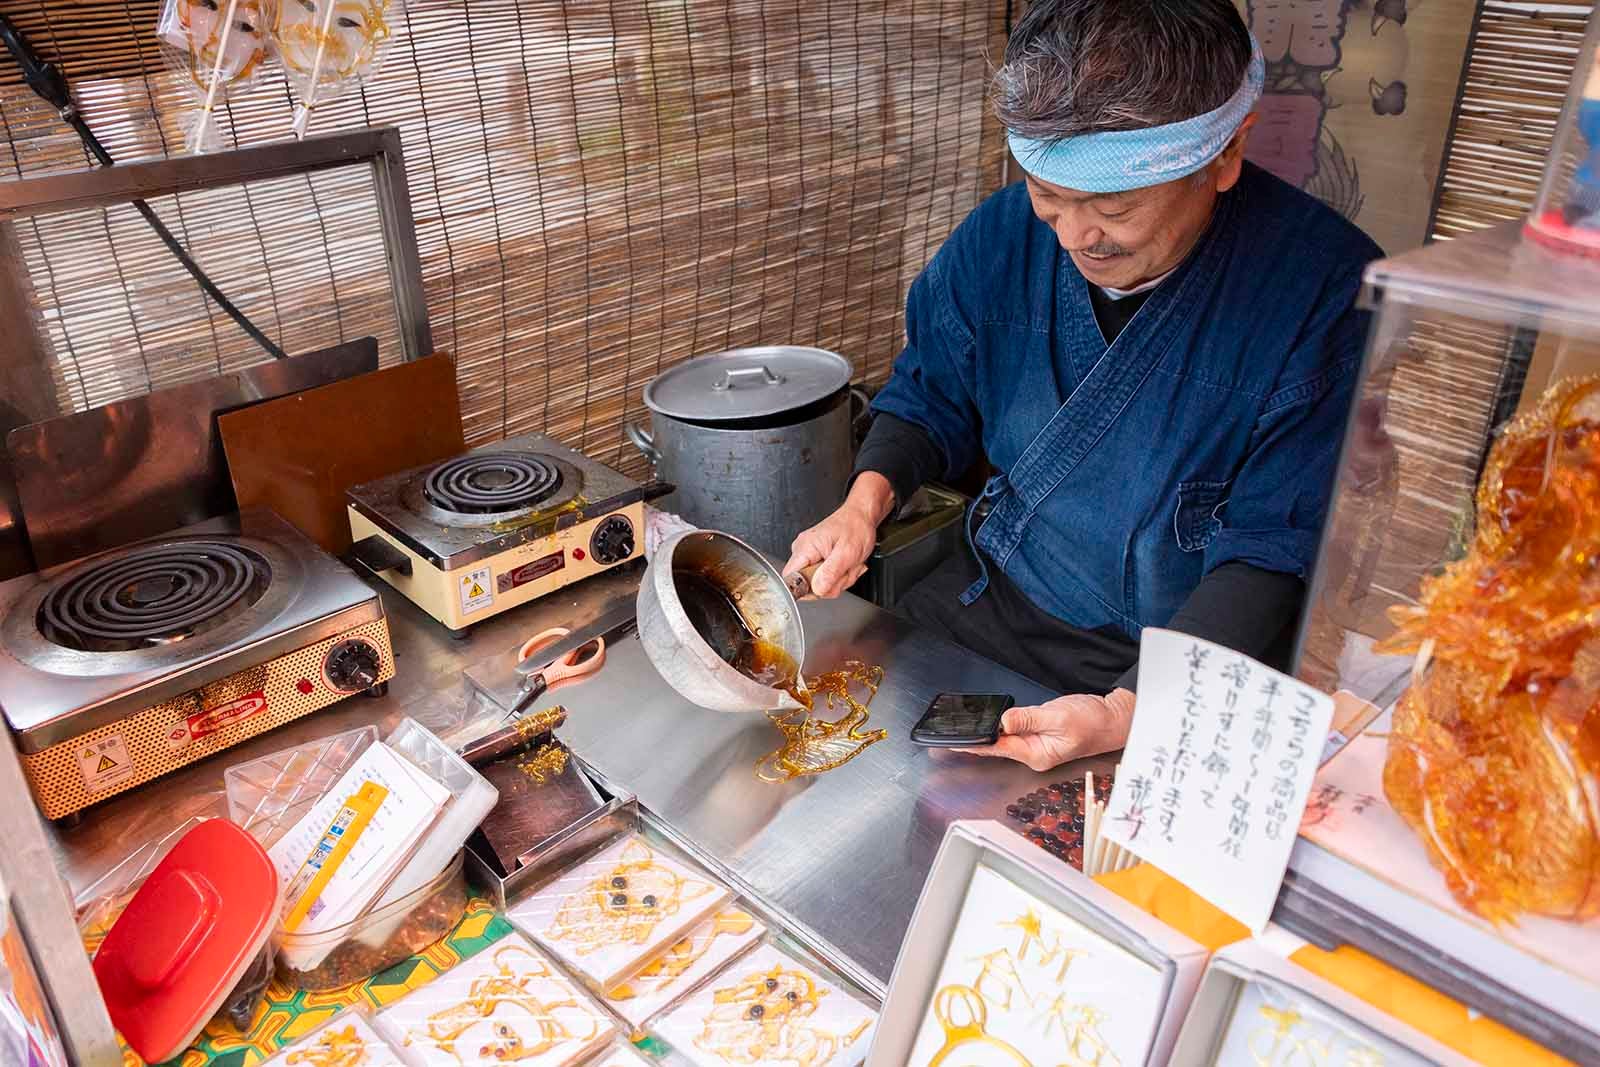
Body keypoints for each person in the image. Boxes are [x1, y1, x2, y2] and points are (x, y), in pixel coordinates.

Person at [783, 0, 1383, 773]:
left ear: (1225, 155)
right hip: (989, 608)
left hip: (1187, 669)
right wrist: (861, 505)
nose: (1072, 238)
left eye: (1113, 206)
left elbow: (1271, 553)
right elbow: (931, 393)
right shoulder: (1003, 236)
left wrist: (1127, 710)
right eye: (1048, 196)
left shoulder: (1324, 294)